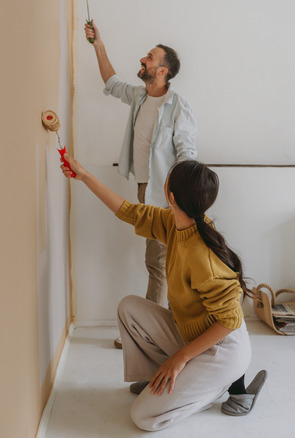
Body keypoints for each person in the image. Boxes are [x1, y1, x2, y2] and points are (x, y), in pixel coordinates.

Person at [60, 154, 267, 431]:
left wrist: (178, 359)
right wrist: (83, 175)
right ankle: (167, 379)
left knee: (143, 417)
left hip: (222, 350)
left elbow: (229, 322)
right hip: (193, 335)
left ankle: (221, 387)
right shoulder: (175, 222)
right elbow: (128, 211)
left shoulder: (204, 258)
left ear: (171, 195)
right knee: (129, 307)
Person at [84, 21, 197, 349]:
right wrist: (98, 44)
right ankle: (161, 330)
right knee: (158, 262)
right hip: (145, 189)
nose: (142, 60)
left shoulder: (178, 107)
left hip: (168, 194)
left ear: (162, 70)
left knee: (158, 263)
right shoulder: (139, 97)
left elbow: (187, 153)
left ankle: (149, 335)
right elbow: (111, 82)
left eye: (149, 58)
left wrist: (180, 199)